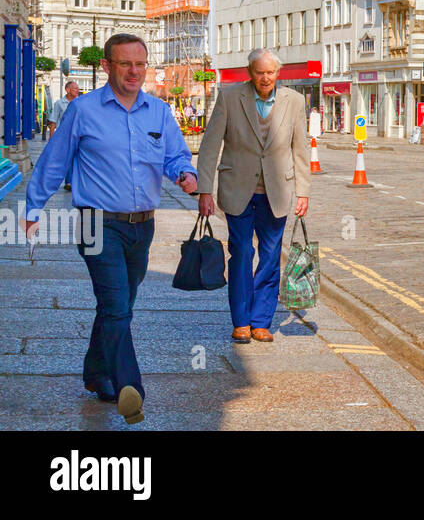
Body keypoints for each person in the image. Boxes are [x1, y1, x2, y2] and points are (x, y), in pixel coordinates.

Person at [23, 34, 199, 426]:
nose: (134, 71)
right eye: (125, 64)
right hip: (95, 222)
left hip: (142, 225)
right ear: (107, 66)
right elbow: (54, 161)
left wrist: (186, 174)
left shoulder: (158, 111)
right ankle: (127, 386)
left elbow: (175, 156)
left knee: (118, 305)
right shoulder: (83, 110)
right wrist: (33, 208)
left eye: (140, 64)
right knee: (118, 306)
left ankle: (96, 374)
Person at [197, 48, 311, 344]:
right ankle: (241, 322)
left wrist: (304, 192)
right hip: (238, 190)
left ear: (278, 73)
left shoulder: (295, 101)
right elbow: (210, 145)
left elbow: (301, 148)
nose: (265, 78)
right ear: (250, 72)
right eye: (259, 72)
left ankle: (261, 321)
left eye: (270, 72)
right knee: (243, 252)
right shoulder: (230, 97)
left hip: (278, 190)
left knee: (272, 256)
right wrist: (204, 189)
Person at [48, 81, 81, 190]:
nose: (77, 90)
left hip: (80, 135)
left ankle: (76, 181)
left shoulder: (80, 102)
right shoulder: (59, 103)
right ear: (67, 90)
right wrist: (51, 141)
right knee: (69, 158)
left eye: (77, 88)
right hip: (65, 136)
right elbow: (53, 122)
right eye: (75, 88)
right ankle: (69, 182)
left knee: (79, 158)